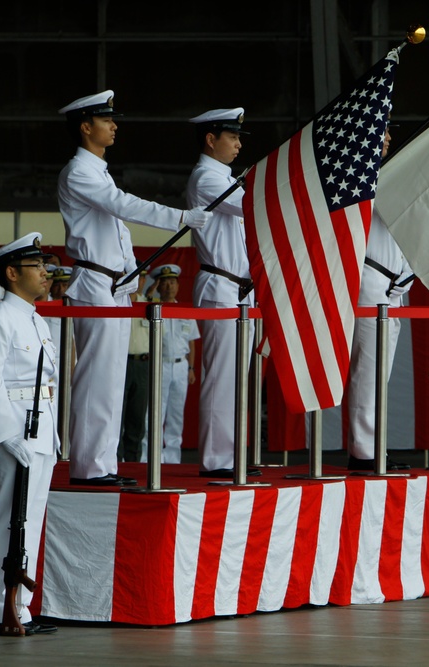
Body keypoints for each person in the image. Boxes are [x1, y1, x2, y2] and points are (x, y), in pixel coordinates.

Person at [56, 89, 210, 486]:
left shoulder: (98, 170)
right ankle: (88, 468)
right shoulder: (79, 171)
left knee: (110, 382)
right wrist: (181, 217)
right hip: (94, 284)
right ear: (86, 127)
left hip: (115, 285)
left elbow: (117, 226)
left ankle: (104, 465)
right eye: (106, 120)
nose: (114, 125)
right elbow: (123, 205)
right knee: (95, 380)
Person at [0, 232, 59, 637]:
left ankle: (18, 609)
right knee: (5, 521)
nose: (45, 273)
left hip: (40, 431)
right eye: (36, 266)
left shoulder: (37, 319)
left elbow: (46, 385)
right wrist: (8, 435)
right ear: (11, 272)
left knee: (30, 522)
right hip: (13, 431)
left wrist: (53, 437)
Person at [187, 107, 255, 478]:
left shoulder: (226, 178)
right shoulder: (206, 178)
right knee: (221, 378)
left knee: (235, 379)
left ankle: (231, 456)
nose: (238, 145)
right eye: (232, 137)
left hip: (239, 288)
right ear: (211, 140)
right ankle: (216, 459)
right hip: (220, 284)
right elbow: (252, 205)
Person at [345, 125, 413, 471]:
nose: (387, 139)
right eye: (380, 133)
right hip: (371, 279)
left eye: (389, 135)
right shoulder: (360, 175)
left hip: (393, 285)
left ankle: (374, 445)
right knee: (369, 369)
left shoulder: (389, 175)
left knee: (380, 371)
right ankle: (363, 450)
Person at [149, 264, 199, 464]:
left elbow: (192, 341)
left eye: (172, 282)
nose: (169, 286)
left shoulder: (184, 310)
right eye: (165, 282)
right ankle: (150, 457)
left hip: (180, 366)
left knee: (176, 414)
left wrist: (191, 368)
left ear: (178, 286)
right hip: (159, 365)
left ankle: (172, 458)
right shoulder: (152, 308)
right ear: (158, 286)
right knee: (155, 413)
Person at [118, 272, 150, 464]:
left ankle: (133, 463)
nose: (137, 282)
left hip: (143, 365)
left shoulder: (149, 303)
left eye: (141, 278)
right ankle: (114, 462)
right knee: (116, 418)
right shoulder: (116, 303)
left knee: (137, 419)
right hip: (121, 363)